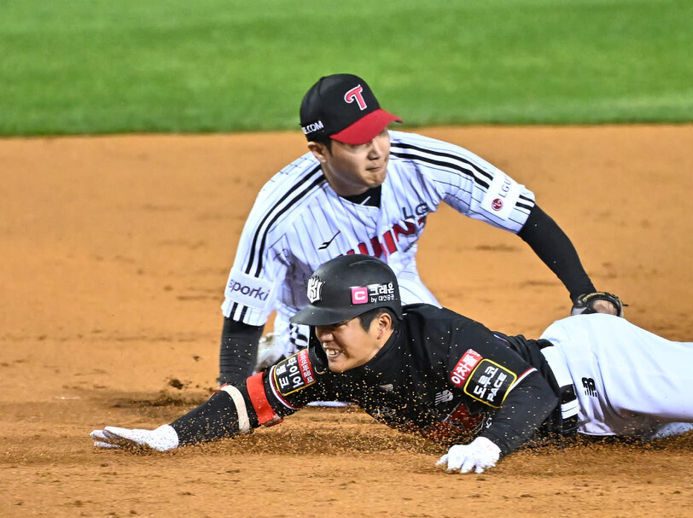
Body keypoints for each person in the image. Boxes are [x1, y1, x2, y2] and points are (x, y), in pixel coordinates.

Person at [93, 221, 693, 474]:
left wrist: (488, 442)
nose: (318, 344)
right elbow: (248, 400)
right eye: (317, 329)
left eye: (334, 329)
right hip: (599, 423)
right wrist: (170, 436)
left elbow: (537, 384)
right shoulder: (327, 360)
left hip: (590, 369)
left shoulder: (435, 339)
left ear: (382, 321)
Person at [218, 73, 621, 390]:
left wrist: (584, 292)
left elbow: (526, 216)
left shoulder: (424, 162)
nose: (377, 149)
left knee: (442, 360)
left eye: (379, 131)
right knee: (350, 382)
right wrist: (233, 386)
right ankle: (287, 351)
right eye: (357, 142)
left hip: (401, 290)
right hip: (319, 320)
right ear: (320, 151)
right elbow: (244, 310)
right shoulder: (281, 212)